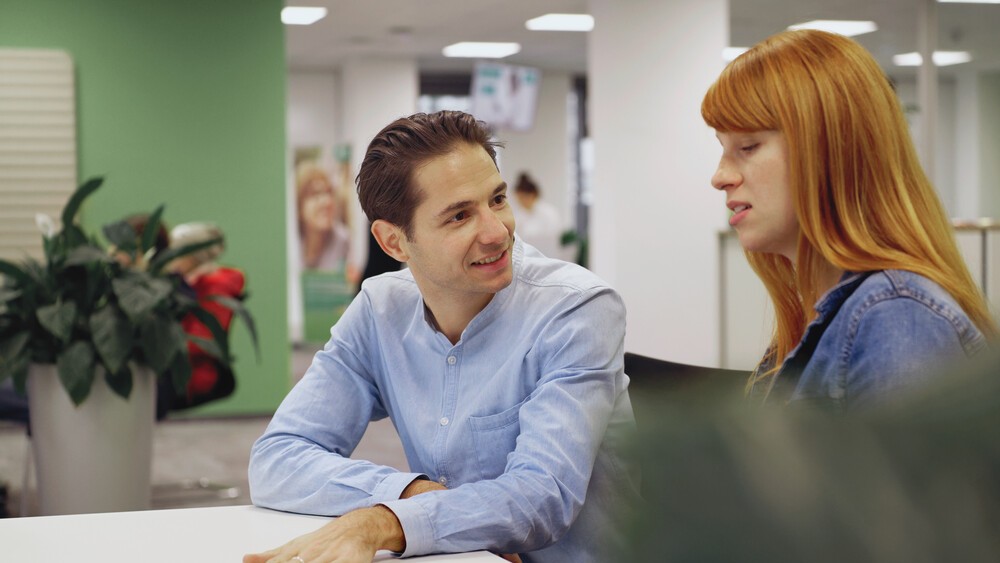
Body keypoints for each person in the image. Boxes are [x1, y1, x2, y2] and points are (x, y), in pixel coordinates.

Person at [245, 110, 639, 563]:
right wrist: (411, 494)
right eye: (459, 216)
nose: (497, 232)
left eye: (497, 199)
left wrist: (387, 521)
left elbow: (541, 497)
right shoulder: (379, 311)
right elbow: (277, 459)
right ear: (393, 242)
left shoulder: (576, 309)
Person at [702, 29, 996, 410]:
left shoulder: (896, 316)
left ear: (828, 151)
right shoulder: (824, 316)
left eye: (748, 146)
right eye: (723, 149)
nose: (720, 177)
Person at [165, 222, 245, 411]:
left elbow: (201, 342)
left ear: (195, 256)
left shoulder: (216, 285)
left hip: (195, 372)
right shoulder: (182, 282)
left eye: (177, 253)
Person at [296, 163, 351, 271]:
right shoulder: (292, 244)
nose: (327, 201)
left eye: (329, 193)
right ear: (299, 206)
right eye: (315, 194)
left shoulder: (345, 243)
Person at [510, 172, 564, 260]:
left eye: (522, 197)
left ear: (532, 195)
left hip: (548, 257)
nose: (520, 201)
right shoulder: (519, 216)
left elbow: (553, 238)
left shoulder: (549, 213)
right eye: (518, 198)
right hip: (527, 259)